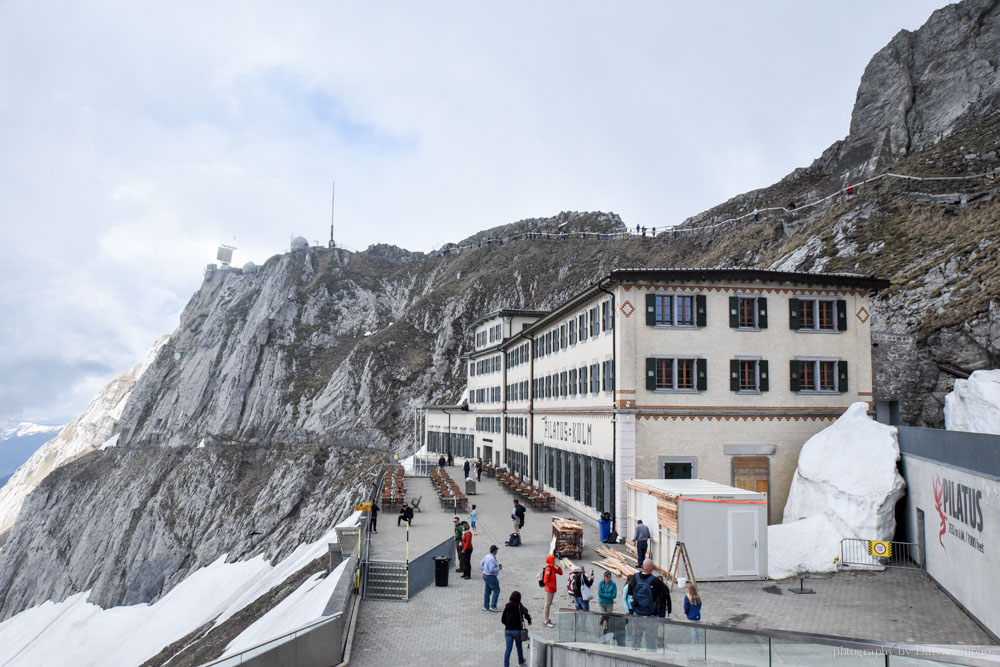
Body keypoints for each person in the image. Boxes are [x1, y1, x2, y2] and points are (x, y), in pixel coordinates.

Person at [624, 559, 671, 651]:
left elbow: (629, 592)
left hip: (637, 614)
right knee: (651, 641)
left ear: (642, 567)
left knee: (636, 640)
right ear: (652, 568)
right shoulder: (655, 581)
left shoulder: (634, 578)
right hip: (651, 615)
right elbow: (666, 591)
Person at [501, 590, 532, 667]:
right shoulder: (519, 605)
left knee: (508, 649)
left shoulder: (507, 606)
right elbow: (525, 613)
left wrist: (508, 625)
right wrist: (529, 620)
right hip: (517, 631)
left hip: (508, 631)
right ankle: (521, 661)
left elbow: (503, 619)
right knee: (519, 646)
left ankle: (506, 665)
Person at [541, 554, 562, 627]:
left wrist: (558, 566)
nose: (555, 561)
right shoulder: (549, 569)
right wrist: (552, 586)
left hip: (552, 589)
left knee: (548, 605)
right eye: (554, 560)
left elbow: (560, 573)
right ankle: (546, 620)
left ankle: (547, 619)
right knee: (547, 605)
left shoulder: (552, 568)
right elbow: (545, 581)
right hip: (549, 590)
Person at [481, 544, 502, 611]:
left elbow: (481, 563)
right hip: (491, 576)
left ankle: (486, 606)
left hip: (485, 575)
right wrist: (498, 568)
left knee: (487, 591)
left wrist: (484, 569)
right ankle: (493, 606)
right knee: (496, 590)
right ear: (494, 551)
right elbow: (491, 569)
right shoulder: (492, 559)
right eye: (496, 550)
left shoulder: (487, 556)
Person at [597, 570, 617, 636]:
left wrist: (604, 594)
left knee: (608, 617)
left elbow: (614, 595)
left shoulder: (613, 584)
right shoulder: (601, 583)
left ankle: (606, 629)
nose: (608, 579)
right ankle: (603, 627)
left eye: (609, 578)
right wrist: (608, 595)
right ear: (604, 577)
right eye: (607, 578)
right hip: (601, 603)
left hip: (609, 604)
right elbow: (599, 593)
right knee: (603, 614)